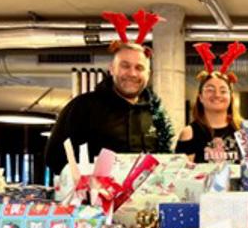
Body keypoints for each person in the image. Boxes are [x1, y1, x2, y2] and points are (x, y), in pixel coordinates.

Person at [45, 10, 173, 174]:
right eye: (125, 66)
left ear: (149, 74)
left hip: (147, 198)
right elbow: (54, 158)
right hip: (94, 197)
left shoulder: (156, 113)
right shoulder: (82, 107)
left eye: (139, 68)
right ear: (112, 69)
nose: (132, 74)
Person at [175, 42, 246, 163]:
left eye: (223, 90)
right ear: (200, 97)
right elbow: (181, 176)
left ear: (230, 97)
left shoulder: (243, 131)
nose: (217, 95)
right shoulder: (189, 133)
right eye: (210, 90)